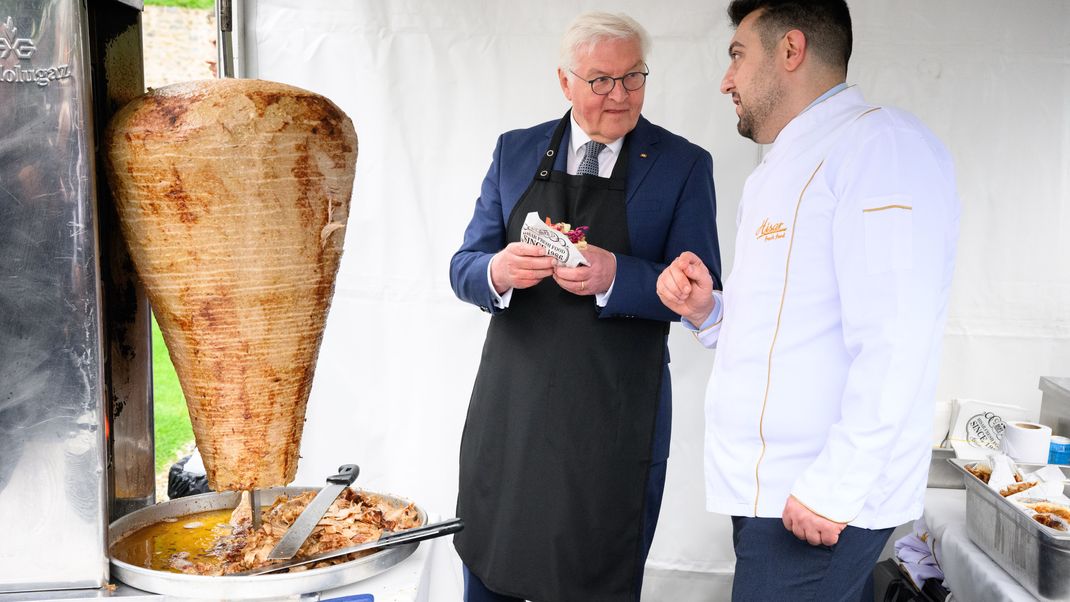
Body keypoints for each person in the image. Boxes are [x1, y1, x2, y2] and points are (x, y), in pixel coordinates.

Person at [656, 1, 959, 600]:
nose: (726, 80)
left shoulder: (880, 147)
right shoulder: (779, 167)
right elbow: (786, 320)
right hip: (774, 491)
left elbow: (897, 337)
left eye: (737, 56)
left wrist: (835, 485)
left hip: (819, 499)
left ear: (791, 50)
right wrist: (709, 309)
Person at [450, 11, 720, 602]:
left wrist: (616, 274)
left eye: (633, 78)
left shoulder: (682, 165)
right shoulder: (515, 151)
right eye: (600, 80)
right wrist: (496, 271)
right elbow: (463, 266)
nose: (619, 96)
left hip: (614, 416)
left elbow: (702, 289)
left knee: (594, 570)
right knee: (493, 558)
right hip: (512, 410)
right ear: (565, 81)